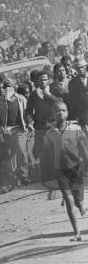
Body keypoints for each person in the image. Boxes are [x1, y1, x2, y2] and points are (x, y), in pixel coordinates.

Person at [43, 101, 88, 241]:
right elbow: (47, 154)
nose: (60, 113)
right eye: (57, 111)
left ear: (67, 113)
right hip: (60, 172)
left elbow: (84, 149)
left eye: (63, 110)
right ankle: (77, 233)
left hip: (76, 169)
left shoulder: (75, 129)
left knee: (78, 201)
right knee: (69, 200)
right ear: (53, 114)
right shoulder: (50, 134)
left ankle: (81, 206)